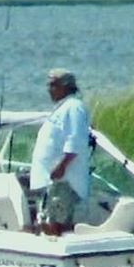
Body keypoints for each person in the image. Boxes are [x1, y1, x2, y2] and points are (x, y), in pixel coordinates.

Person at [30, 68, 91, 236]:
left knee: (56, 223)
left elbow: (76, 139)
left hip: (64, 181)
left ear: (65, 86)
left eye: (53, 85)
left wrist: (62, 165)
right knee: (47, 221)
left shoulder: (74, 107)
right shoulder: (63, 108)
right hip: (54, 181)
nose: (49, 89)